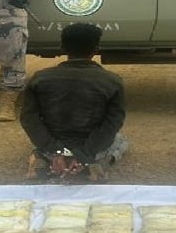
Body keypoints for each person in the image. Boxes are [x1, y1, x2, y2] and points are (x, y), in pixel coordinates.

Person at [20, 23, 128, 182]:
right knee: (120, 140)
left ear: (62, 48)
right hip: (89, 147)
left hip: (53, 144)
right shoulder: (112, 81)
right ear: (96, 49)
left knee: (41, 143)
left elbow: (29, 119)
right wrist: (83, 154)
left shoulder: (40, 78)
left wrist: (56, 150)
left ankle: (45, 160)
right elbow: (113, 123)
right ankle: (92, 164)